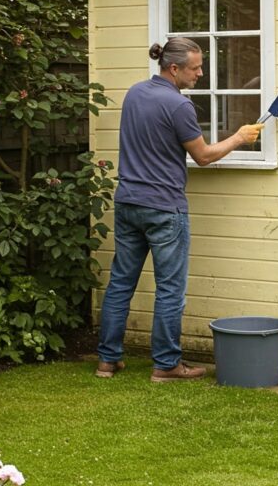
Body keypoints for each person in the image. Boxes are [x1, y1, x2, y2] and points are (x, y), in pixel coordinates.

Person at [96, 37, 263, 382]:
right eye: (195, 68)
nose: (200, 74)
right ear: (174, 68)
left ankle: (107, 361)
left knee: (120, 284)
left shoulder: (135, 94)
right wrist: (239, 137)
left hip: (128, 202)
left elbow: (156, 140)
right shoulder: (179, 105)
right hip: (163, 209)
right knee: (170, 290)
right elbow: (203, 156)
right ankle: (166, 364)